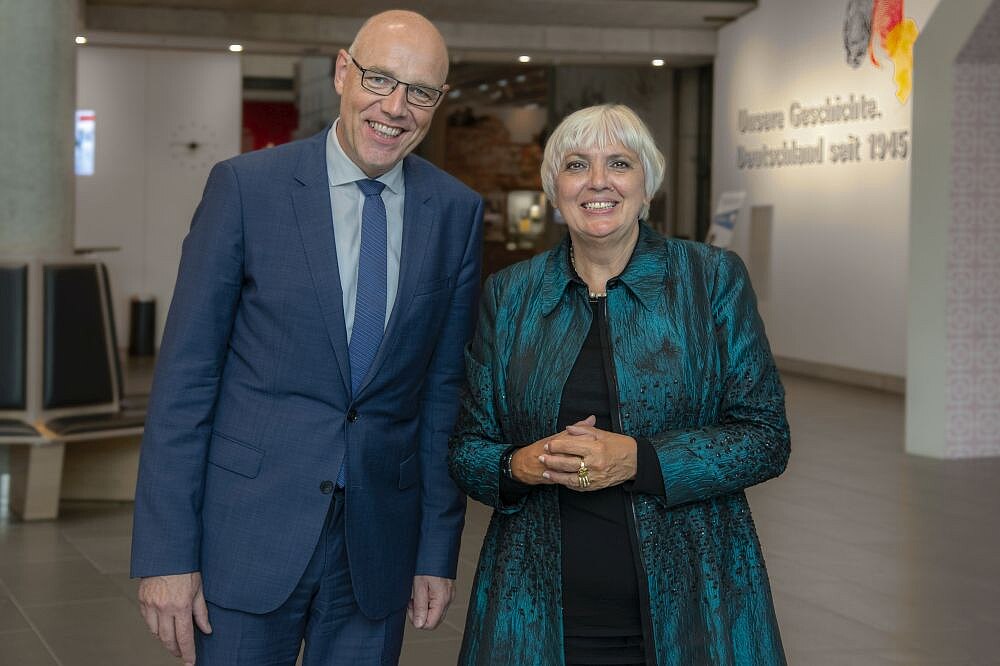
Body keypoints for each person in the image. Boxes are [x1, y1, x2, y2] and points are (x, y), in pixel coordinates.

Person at [130, 10, 482, 666]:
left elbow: (442, 398)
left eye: (421, 92)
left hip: (377, 548)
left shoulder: (456, 212)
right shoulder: (246, 190)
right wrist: (166, 555)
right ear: (344, 73)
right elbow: (185, 380)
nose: (396, 107)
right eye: (380, 79)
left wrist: (436, 552)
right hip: (245, 537)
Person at [448, 104, 789, 665]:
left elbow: (765, 437)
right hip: (536, 610)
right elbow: (467, 449)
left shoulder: (709, 280)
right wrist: (522, 464)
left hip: (697, 607)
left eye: (620, 163)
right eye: (577, 164)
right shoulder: (510, 296)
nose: (598, 181)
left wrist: (638, 459)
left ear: (646, 185)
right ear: (554, 189)